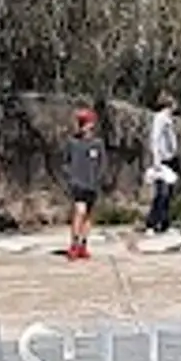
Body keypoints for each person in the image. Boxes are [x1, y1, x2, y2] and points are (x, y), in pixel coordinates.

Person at [59, 104, 107, 260]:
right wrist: (70, 177)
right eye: (81, 123)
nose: (83, 126)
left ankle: (83, 245)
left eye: (85, 122)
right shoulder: (72, 142)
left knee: (89, 215)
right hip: (78, 184)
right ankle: (73, 244)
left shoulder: (98, 144)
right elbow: (65, 162)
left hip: (92, 184)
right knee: (79, 211)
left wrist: (99, 179)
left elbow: (102, 163)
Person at [142, 97, 181, 235]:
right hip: (162, 160)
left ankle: (165, 223)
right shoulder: (160, 118)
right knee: (162, 193)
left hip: (171, 159)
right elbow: (155, 138)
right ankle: (151, 223)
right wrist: (156, 160)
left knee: (169, 193)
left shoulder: (170, 119)